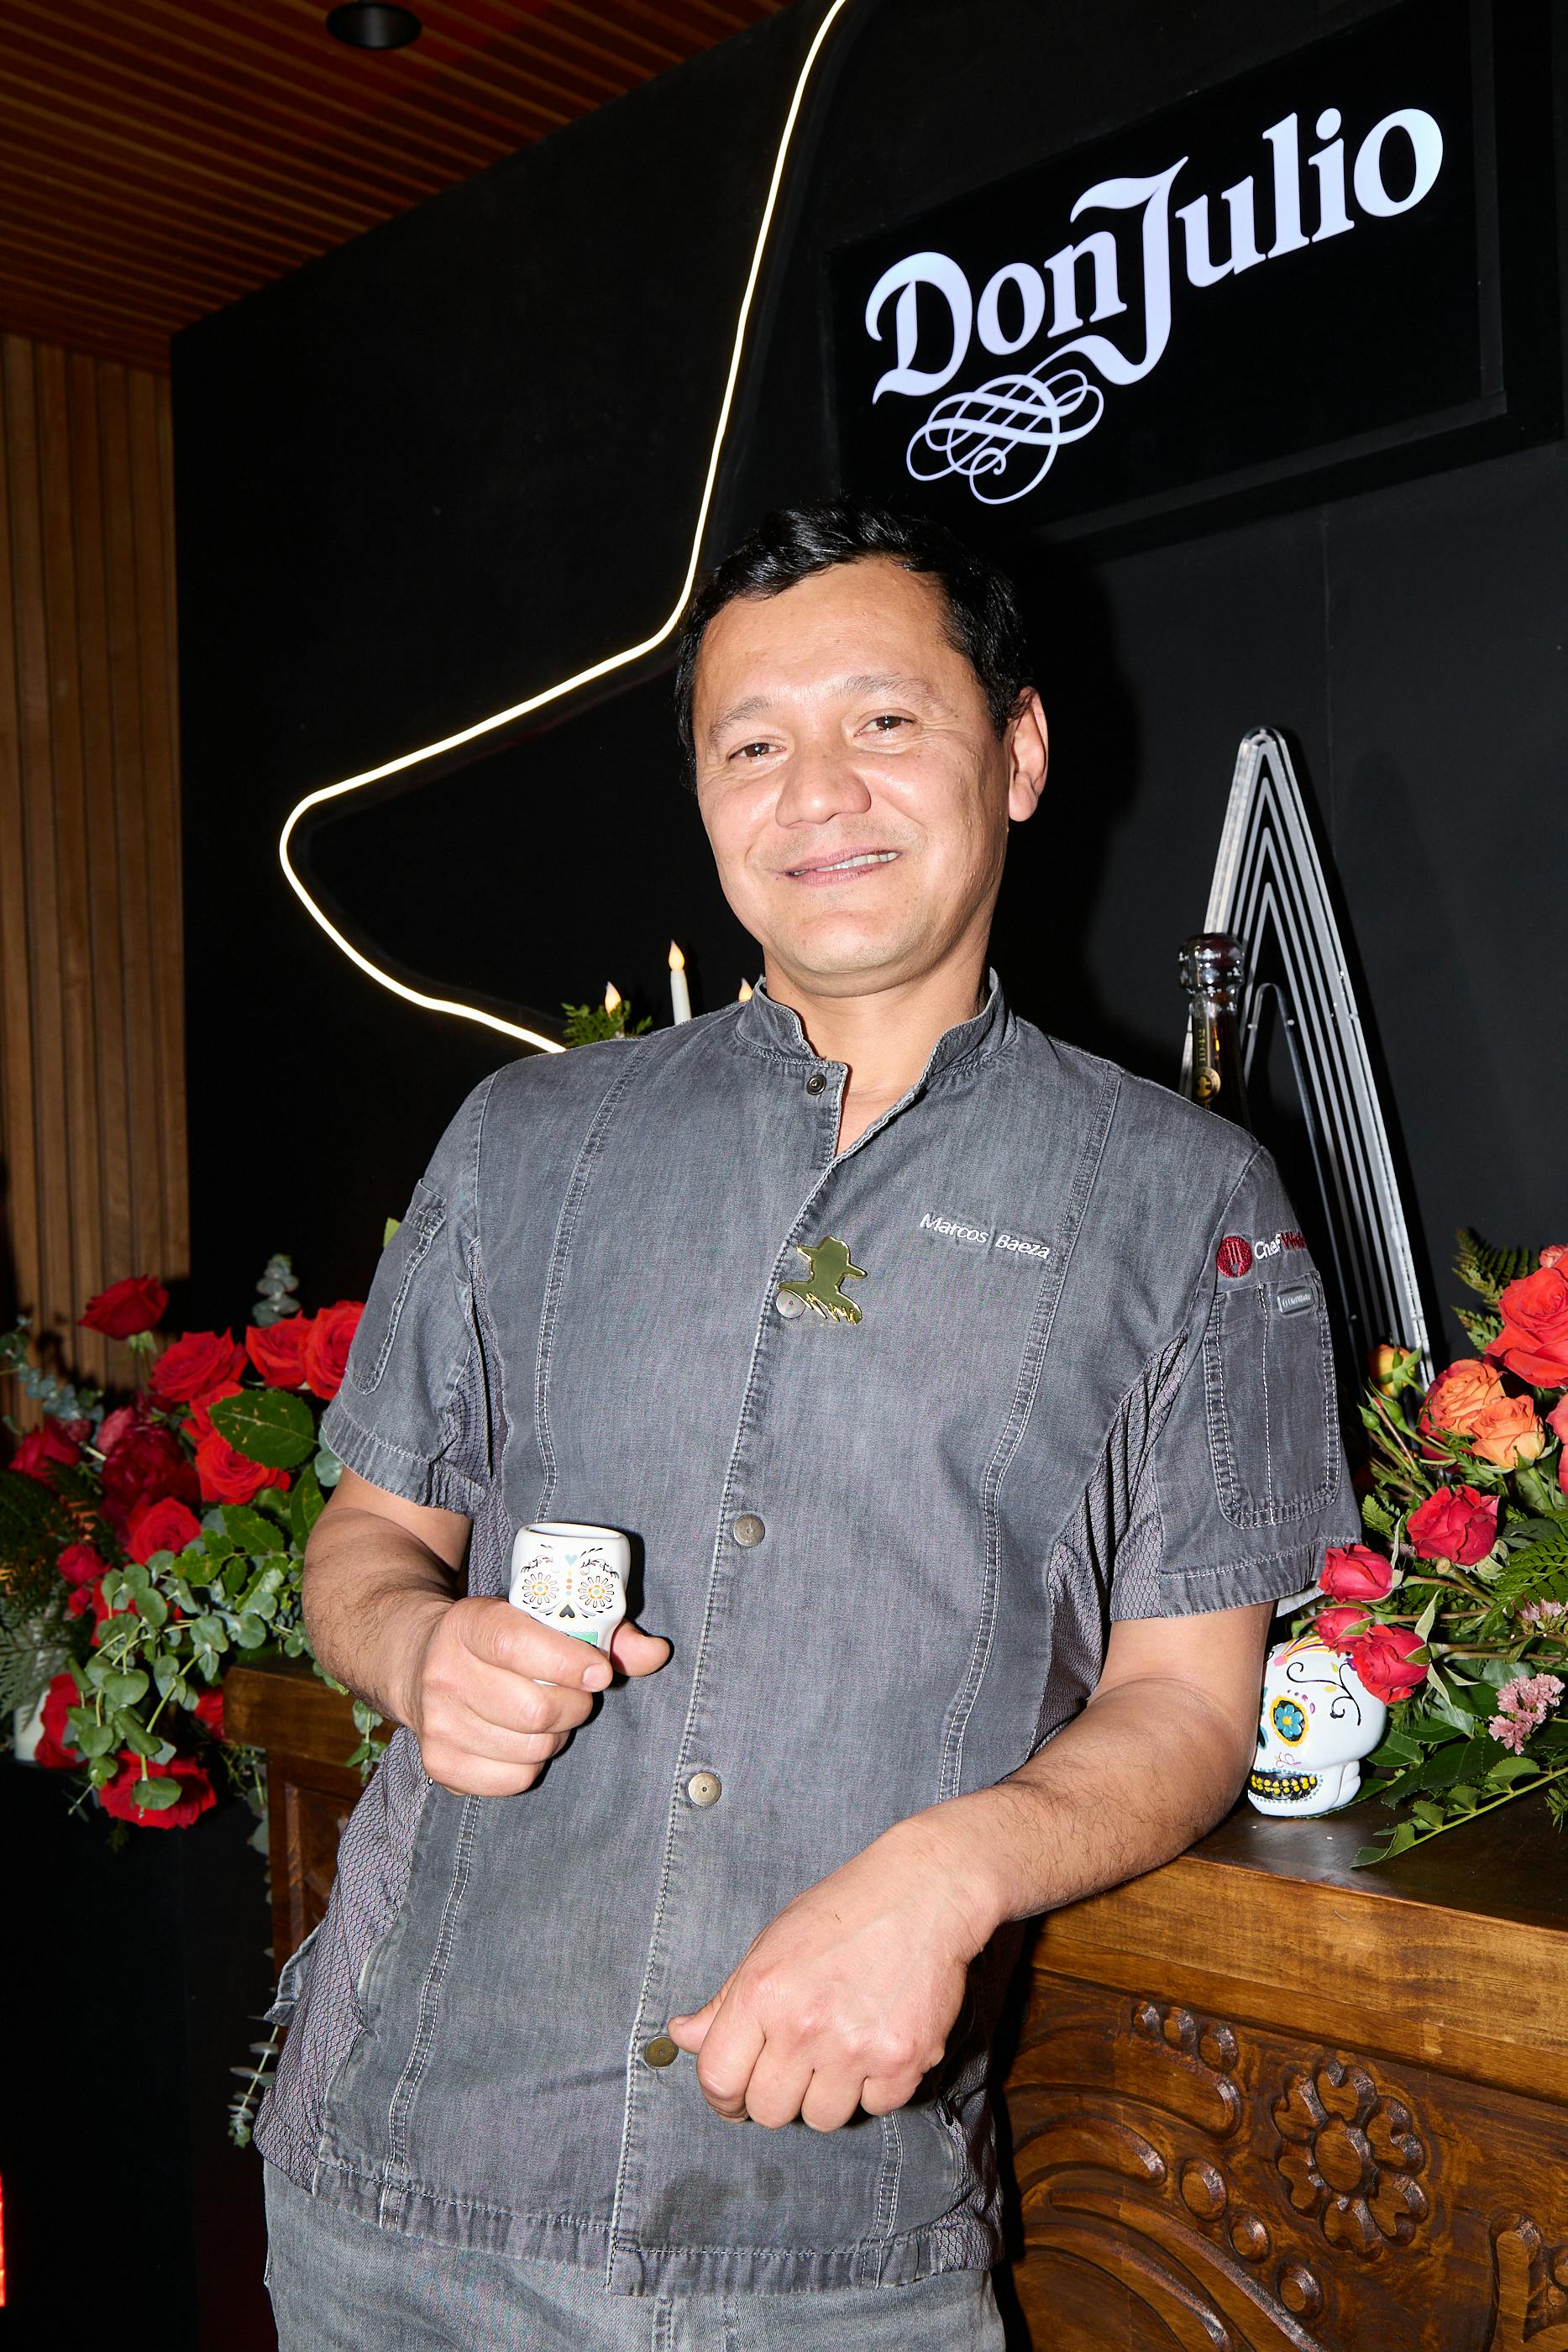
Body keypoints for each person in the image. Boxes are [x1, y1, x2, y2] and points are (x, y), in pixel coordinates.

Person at [257, 497, 1357, 2349]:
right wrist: (418, 1645)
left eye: (884, 721)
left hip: (835, 2242)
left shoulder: (1189, 1201)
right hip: (400, 2197)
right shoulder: (525, 1142)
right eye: (751, 746)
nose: (816, 793)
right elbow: (365, 1543)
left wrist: (950, 1872)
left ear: (1017, 752)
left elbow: (1189, 1700)